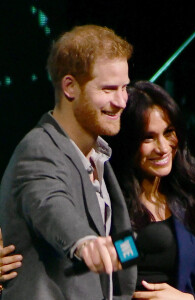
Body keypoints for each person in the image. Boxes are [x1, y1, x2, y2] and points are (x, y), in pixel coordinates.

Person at [0, 25, 137, 300]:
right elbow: (50, 202)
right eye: (109, 89)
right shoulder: (38, 149)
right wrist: (83, 242)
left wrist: (130, 249)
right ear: (70, 87)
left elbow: (114, 240)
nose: (122, 101)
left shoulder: (98, 157)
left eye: (125, 87)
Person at [108, 81, 195, 299]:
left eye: (169, 132)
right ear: (128, 142)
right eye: (148, 137)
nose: (163, 148)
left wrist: (186, 299)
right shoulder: (105, 199)